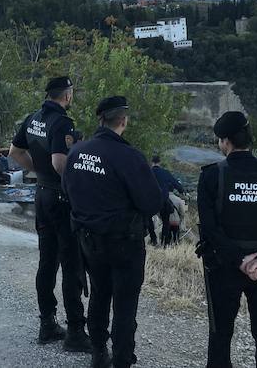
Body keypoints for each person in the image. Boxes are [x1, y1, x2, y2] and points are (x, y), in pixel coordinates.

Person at [62, 96, 163, 368]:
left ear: (100, 120)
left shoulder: (78, 152)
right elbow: (152, 202)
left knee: (98, 295)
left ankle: (98, 353)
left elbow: (68, 191)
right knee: (125, 306)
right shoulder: (129, 157)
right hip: (124, 243)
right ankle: (121, 359)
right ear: (123, 121)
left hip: (89, 242)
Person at [196, 111, 257, 368]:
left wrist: (239, 260)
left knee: (221, 335)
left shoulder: (212, 176)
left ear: (225, 142)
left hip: (223, 268)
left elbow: (209, 229)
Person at [9, 76, 91, 353]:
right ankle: (76, 332)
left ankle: (47, 323)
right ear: (67, 95)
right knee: (71, 265)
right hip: (61, 198)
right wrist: (77, 184)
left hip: (42, 195)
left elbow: (15, 152)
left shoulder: (33, 118)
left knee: (47, 261)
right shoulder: (63, 122)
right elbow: (59, 162)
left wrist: (37, 171)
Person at [151, 154, 186, 247]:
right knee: (166, 223)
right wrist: (182, 191)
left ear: (152, 162)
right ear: (160, 162)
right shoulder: (165, 172)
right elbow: (175, 183)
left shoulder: (147, 172)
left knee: (148, 221)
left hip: (149, 201)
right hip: (163, 201)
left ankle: (153, 240)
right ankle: (165, 243)